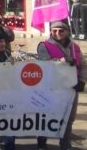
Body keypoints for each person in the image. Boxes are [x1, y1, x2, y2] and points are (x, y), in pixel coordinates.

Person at [36, 21, 87, 150]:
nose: (57, 33)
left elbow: (83, 65)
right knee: (47, 116)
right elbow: (45, 62)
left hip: (71, 88)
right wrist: (63, 61)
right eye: (54, 31)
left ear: (67, 32)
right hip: (52, 87)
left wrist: (82, 80)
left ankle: (65, 144)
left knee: (69, 117)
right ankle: (42, 142)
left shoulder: (75, 47)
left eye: (61, 31)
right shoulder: (44, 45)